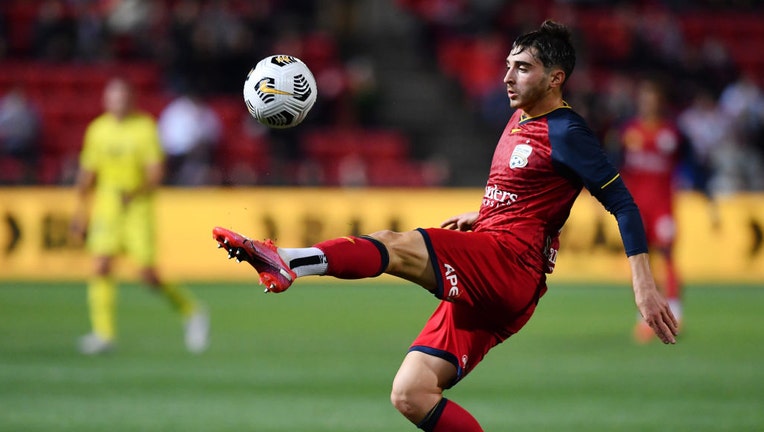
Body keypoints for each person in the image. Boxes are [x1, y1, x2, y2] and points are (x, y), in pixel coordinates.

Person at [213, 21, 678, 431]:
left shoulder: (567, 131)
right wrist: (486, 215)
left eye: (521, 68)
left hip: (506, 263)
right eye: (508, 65)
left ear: (556, 78)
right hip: (506, 275)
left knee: (395, 245)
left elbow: (622, 203)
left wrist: (643, 285)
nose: (506, 76)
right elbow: (543, 196)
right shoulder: (519, 119)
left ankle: (289, 261)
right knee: (412, 394)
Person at [70, 77, 209, 355]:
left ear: (131, 99)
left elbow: (156, 172)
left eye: (121, 97)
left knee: (147, 274)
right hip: (107, 207)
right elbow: (87, 174)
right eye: (112, 97)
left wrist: (134, 192)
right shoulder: (98, 130)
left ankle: (192, 310)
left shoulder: (144, 128)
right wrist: (80, 213)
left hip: (137, 208)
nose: (116, 102)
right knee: (100, 265)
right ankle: (104, 334)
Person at [611, 79, 685, 343]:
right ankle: (647, 318)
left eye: (652, 97)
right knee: (643, 261)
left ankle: (675, 312)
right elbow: (616, 164)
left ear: (660, 100)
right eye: (644, 97)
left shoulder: (672, 133)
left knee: (667, 255)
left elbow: (688, 162)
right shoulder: (628, 131)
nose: (648, 102)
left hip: (663, 205)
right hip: (636, 207)